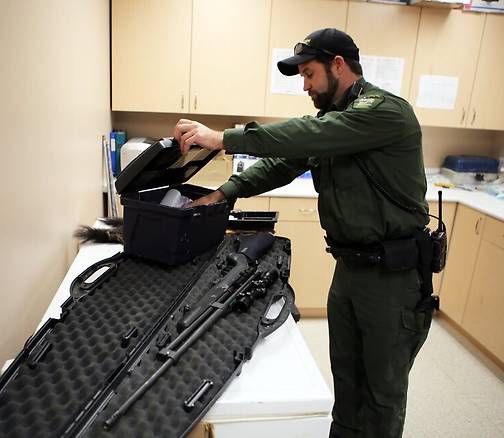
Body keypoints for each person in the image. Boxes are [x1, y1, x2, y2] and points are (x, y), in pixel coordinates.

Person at [173, 28, 436, 438]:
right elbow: (284, 162)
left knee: (382, 394)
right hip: (349, 271)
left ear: (338, 65)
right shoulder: (335, 122)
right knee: (346, 385)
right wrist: (223, 193)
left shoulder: (383, 112)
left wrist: (224, 138)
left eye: (310, 74)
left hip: (392, 279)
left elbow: (310, 135)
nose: (306, 85)